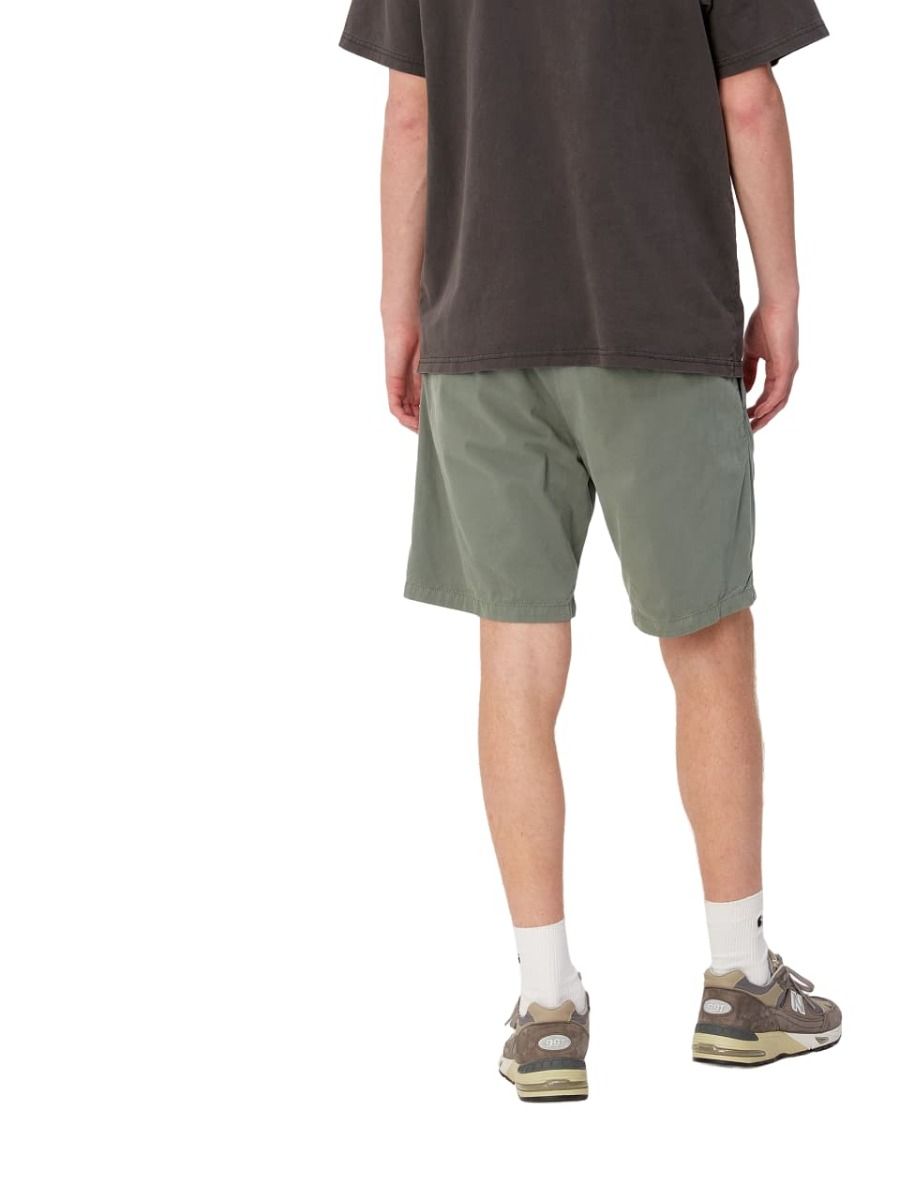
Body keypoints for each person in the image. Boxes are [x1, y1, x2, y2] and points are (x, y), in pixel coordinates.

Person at [339, 0, 841, 1102]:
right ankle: (741, 983)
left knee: (516, 661)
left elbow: (410, 115)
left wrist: (399, 311)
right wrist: (784, 294)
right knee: (706, 645)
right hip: (659, 320)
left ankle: (546, 1008)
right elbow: (749, 101)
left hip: (484, 325)